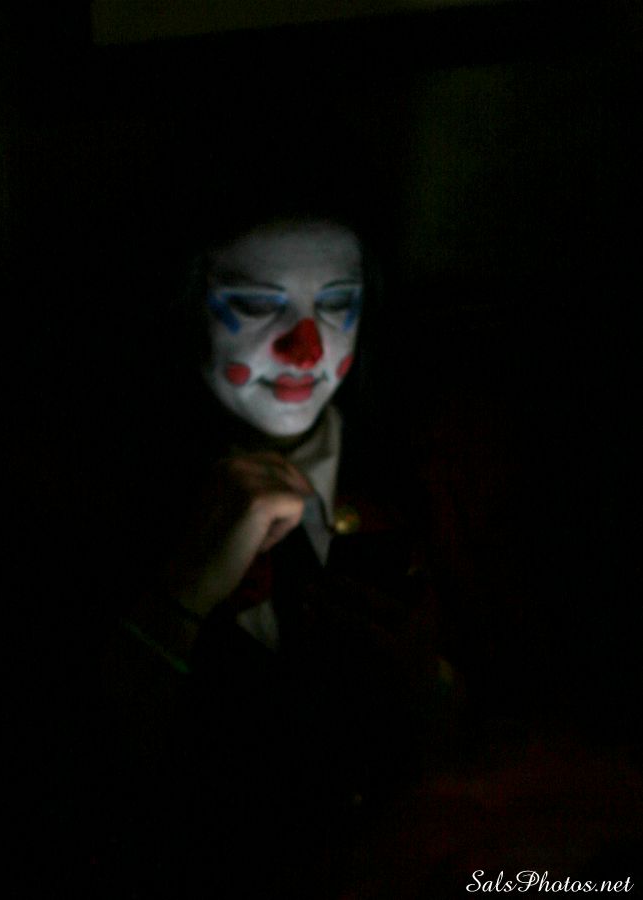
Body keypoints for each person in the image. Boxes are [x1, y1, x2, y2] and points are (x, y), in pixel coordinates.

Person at [85, 209, 448, 899]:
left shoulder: (423, 478)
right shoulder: (95, 492)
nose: (306, 350)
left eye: (337, 304)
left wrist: (431, 689)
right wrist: (182, 597)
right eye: (255, 305)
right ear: (183, 307)